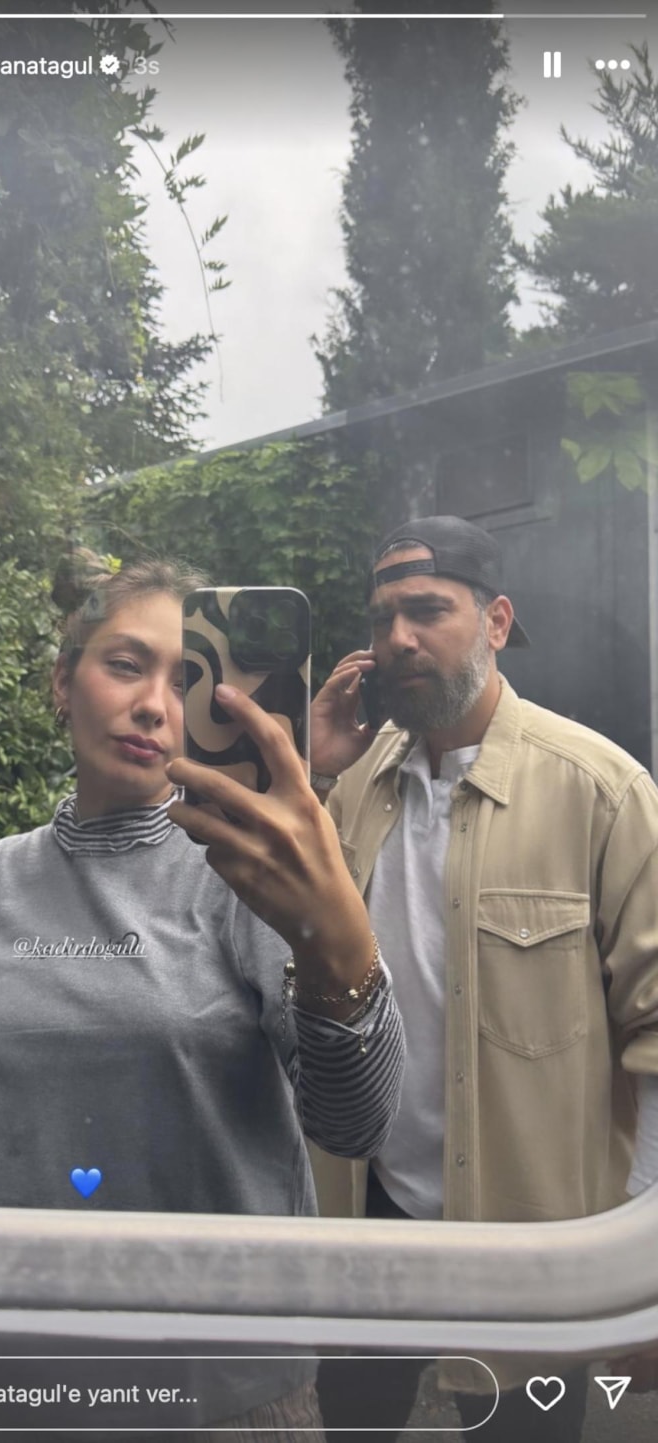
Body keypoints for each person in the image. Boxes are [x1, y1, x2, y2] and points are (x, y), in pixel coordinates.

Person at [0, 554, 405, 1439]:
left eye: (185, 680)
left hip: (220, 1389)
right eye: (124, 664)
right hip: (1, 1381)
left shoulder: (245, 875)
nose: (154, 704)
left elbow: (355, 1122)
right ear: (62, 682)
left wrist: (337, 946)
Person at [308, 515, 658, 1443]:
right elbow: (272, 946)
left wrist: (640, 1252)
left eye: (428, 610)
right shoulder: (352, 784)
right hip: (368, 1206)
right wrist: (307, 771)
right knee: (353, 1424)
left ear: (497, 621)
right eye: (382, 617)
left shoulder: (601, 790)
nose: (398, 639)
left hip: (526, 1229)